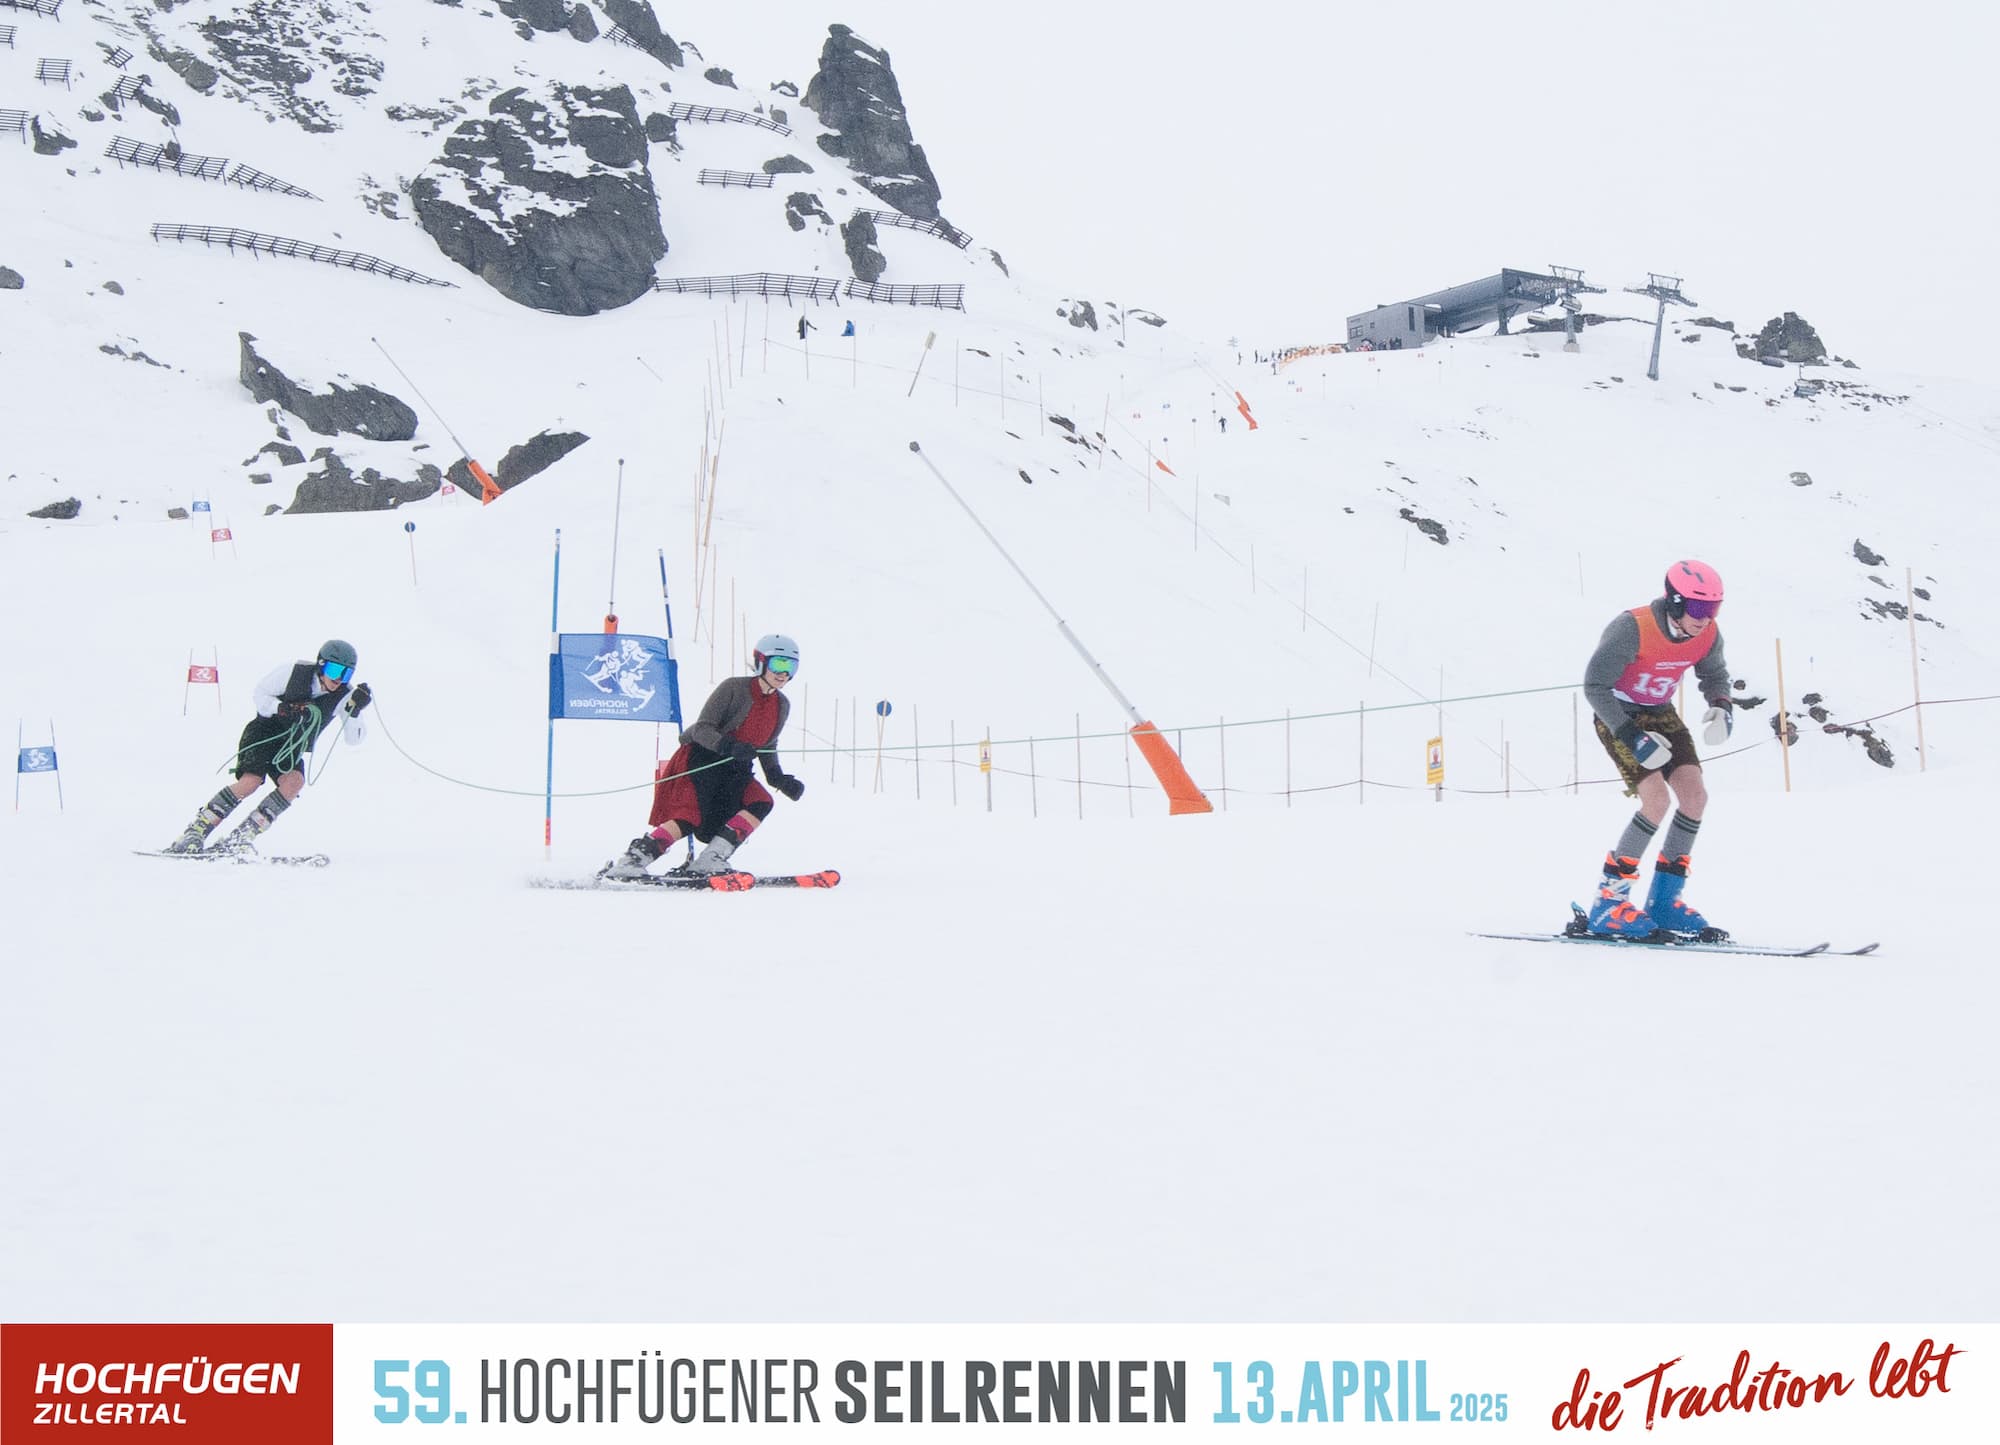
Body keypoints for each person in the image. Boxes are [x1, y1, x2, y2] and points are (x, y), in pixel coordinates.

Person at [1580, 561, 1735, 939]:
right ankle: (1609, 903)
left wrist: (1721, 704)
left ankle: (1664, 901)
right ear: (1676, 602)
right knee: (1656, 801)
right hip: (1618, 714)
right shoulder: (1631, 629)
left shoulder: (1707, 634)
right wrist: (1631, 735)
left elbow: (1714, 673)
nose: (1706, 618)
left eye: (1713, 609)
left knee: (1695, 797)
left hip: (1660, 711)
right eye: (1699, 608)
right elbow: (1595, 686)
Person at [605, 633, 807, 878]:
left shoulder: (782, 704)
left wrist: (778, 777)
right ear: (761, 662)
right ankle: (633, 860)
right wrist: (728, 746)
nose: (783, 673)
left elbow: (768, 744)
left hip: (736, 769)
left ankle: (711, 859)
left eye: (790, 667)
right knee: (689, 816)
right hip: (702, 759)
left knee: (761, 802)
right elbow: (702, 728)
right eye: (778, 664)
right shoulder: (734, 688)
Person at [165, 639, 372, 854]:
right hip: (264, 733)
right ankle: (195, 831)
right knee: (251, 782)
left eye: (346, 674)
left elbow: (354, 739)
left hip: (291, 745)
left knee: (294, 783)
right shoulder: (293, 672)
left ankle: (239, 839)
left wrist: (355, 712)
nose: (338, 679)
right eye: (334, 670)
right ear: (321, 665)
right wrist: (280, 708)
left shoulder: (346, 696)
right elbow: (260, 693)